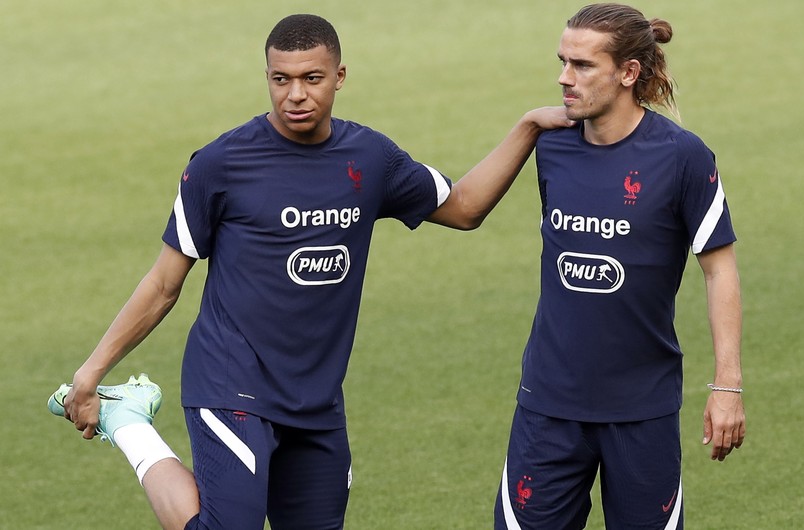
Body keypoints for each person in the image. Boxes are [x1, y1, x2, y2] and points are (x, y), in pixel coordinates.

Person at [46, 14, 571, 530]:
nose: (295, 94)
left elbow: (463, 209)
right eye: (281, 79)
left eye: (311, 78)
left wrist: (527, 127)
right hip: (230, 380)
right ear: (268, 78)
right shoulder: (221, 164)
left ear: (339, 77)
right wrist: (90, 375)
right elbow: (163, 283)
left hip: (316, 397)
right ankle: (130, 421)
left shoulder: (370, 159)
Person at [493, 4, 745, 529]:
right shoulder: (553, 147)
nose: (564, 78)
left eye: (583, 65)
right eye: (562, 61)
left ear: (629, 73)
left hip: (641, 409)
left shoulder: (683, 158)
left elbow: (719, 269)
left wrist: (727, 386)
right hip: (548, 406)